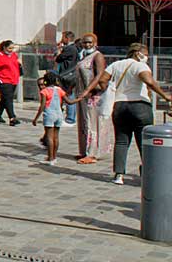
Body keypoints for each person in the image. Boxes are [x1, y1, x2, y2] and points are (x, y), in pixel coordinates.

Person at [73, 42, 172, 185]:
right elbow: (148, 81)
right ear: (138, 53)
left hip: (119, 106)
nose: (146, 57)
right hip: (140, 105)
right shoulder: (140, 66)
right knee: (144, 141)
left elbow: (102, 80)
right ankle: (148, 172)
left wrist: (108, 89)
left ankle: (118, 175)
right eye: (145, 54)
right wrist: (165, 95)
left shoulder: (116, 65)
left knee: (121, 140)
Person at [73, 33, 110, 165]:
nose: (87, 45)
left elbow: (99, 74)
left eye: (90, 42)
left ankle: (92, 152)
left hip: (93, 95)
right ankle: (85, 150)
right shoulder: (83, 56)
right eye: (85, 42)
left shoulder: (97, 56)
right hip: (82, 94)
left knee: (91, 123)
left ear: (95, 43)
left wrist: (88, 90)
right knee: (83, 122)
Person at [32, 72, 68, 165]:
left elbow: (42, 106)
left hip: (49, 115)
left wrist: (36, 118)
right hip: (59, 115)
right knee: (56, 137)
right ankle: (55, 157)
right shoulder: (59, 89)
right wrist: (79, 98)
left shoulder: (45, 91)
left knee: (49, 137)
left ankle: (50, 158)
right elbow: (68, 101)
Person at [0, 39, 22, 126]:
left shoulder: (14, 55)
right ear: (4, 47)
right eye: (9, 48)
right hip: (3, 80)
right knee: (9, 98)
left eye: (12, 48)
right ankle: (12, 118)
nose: (11, 50)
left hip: (13, 80)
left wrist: (19, 63)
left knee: (5, 99)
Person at [53, 30, 79, 126]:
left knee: (69, 95)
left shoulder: (69, 49)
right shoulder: (73, 48)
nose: (61, 39)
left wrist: (59, 51)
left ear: (67, 38)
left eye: (63, 37)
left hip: (67, 75)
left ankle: (70, 119)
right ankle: (68, 117)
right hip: (68, 74)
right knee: (67, 95)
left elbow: (58, 58)